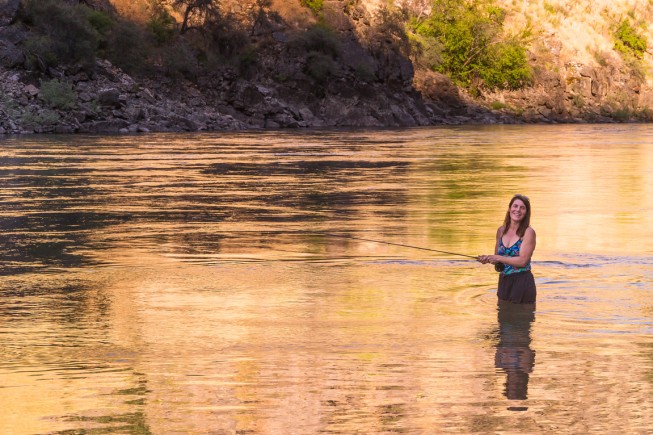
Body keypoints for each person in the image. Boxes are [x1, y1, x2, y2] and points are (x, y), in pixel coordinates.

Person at [478, 194, 536, 304]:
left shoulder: (528, 232)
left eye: (522, 208)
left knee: (520, 319)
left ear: (526, 212)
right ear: (509, 208)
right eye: (515, 206)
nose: (518, 210)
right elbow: (498, 262)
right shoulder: (501, 231)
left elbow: (523, 261)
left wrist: (498, 258)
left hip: (522, 282)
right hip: (504, 282)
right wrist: (487, 259)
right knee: (502, 319)